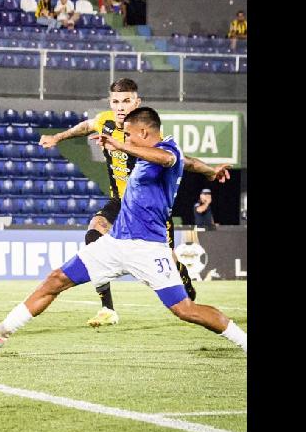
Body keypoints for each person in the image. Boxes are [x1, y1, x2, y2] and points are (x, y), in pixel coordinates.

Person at [0, 108, 246, 354]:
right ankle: (2, 330)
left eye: (129, 135)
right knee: (56, 279)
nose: (125, 139)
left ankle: (243, 342)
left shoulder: (167, 149)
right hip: (115, 244)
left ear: (144, 131)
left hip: (148, 248)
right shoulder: (149, 155)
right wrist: (209, 171)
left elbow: (168, 159)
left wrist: (120, 146)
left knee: (185, 309)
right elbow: (190, 163)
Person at [38, 79, 230, 326]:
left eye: (127, 101)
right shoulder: (105, 121)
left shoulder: (144, 134)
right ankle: (107, 309)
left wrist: (209, 171)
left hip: (148, 210)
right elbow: (86, 126)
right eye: (116, 101)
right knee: (93, 232)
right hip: (119, 201)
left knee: (170, 262)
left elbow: (182, 160)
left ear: (137, 102)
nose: (120, 106)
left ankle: (186, 290)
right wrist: (58, 137)